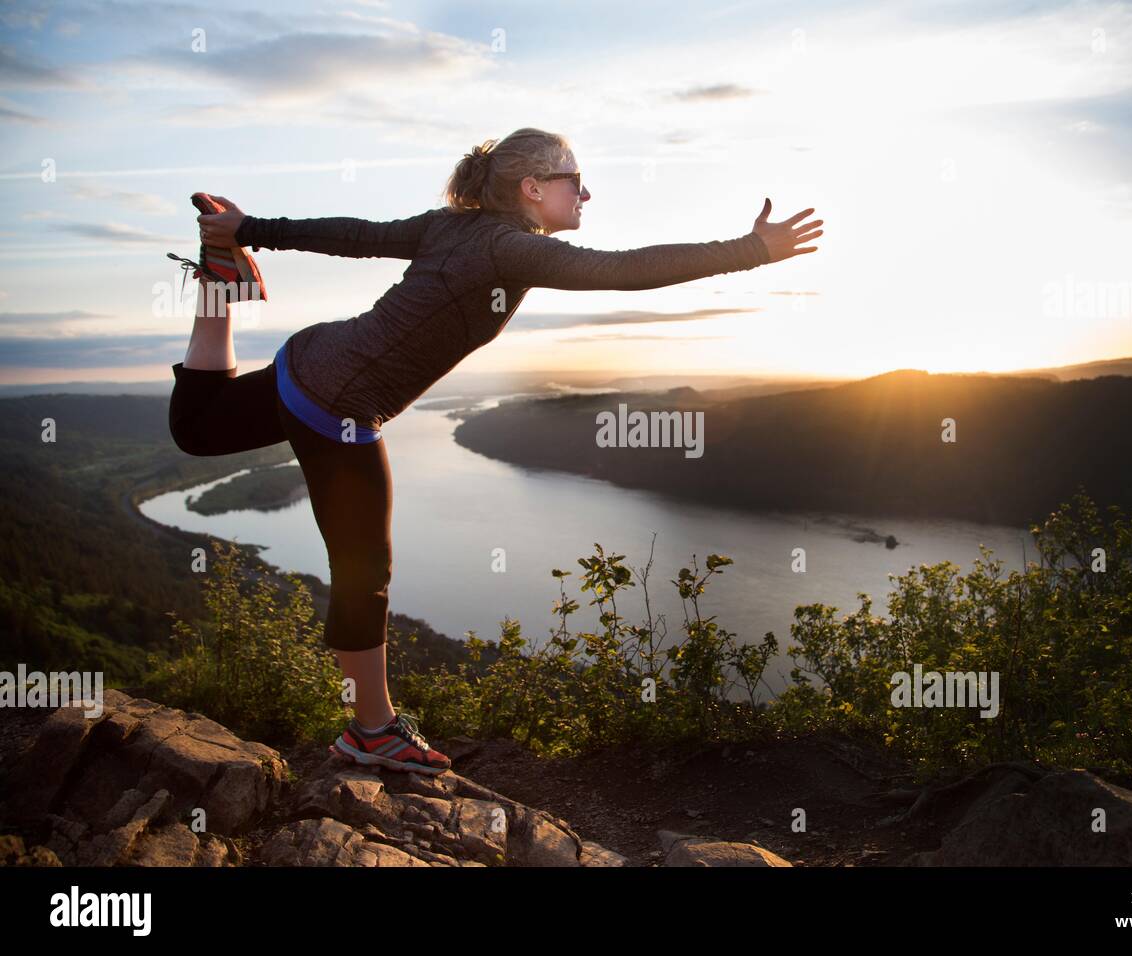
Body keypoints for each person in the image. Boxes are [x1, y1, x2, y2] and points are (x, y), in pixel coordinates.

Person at [166, 126, 823, 775]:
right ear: (533, 188)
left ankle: (220, 280)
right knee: (366, 569)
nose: (586, 193)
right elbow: (622, 271)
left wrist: (249, 232)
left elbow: (355, 235)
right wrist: (751, 250)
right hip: (337, 405)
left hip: (307, 359)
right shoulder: (511, 247)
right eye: (575, 180)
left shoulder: (450, 226)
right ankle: (372, 731)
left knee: (200, 430)